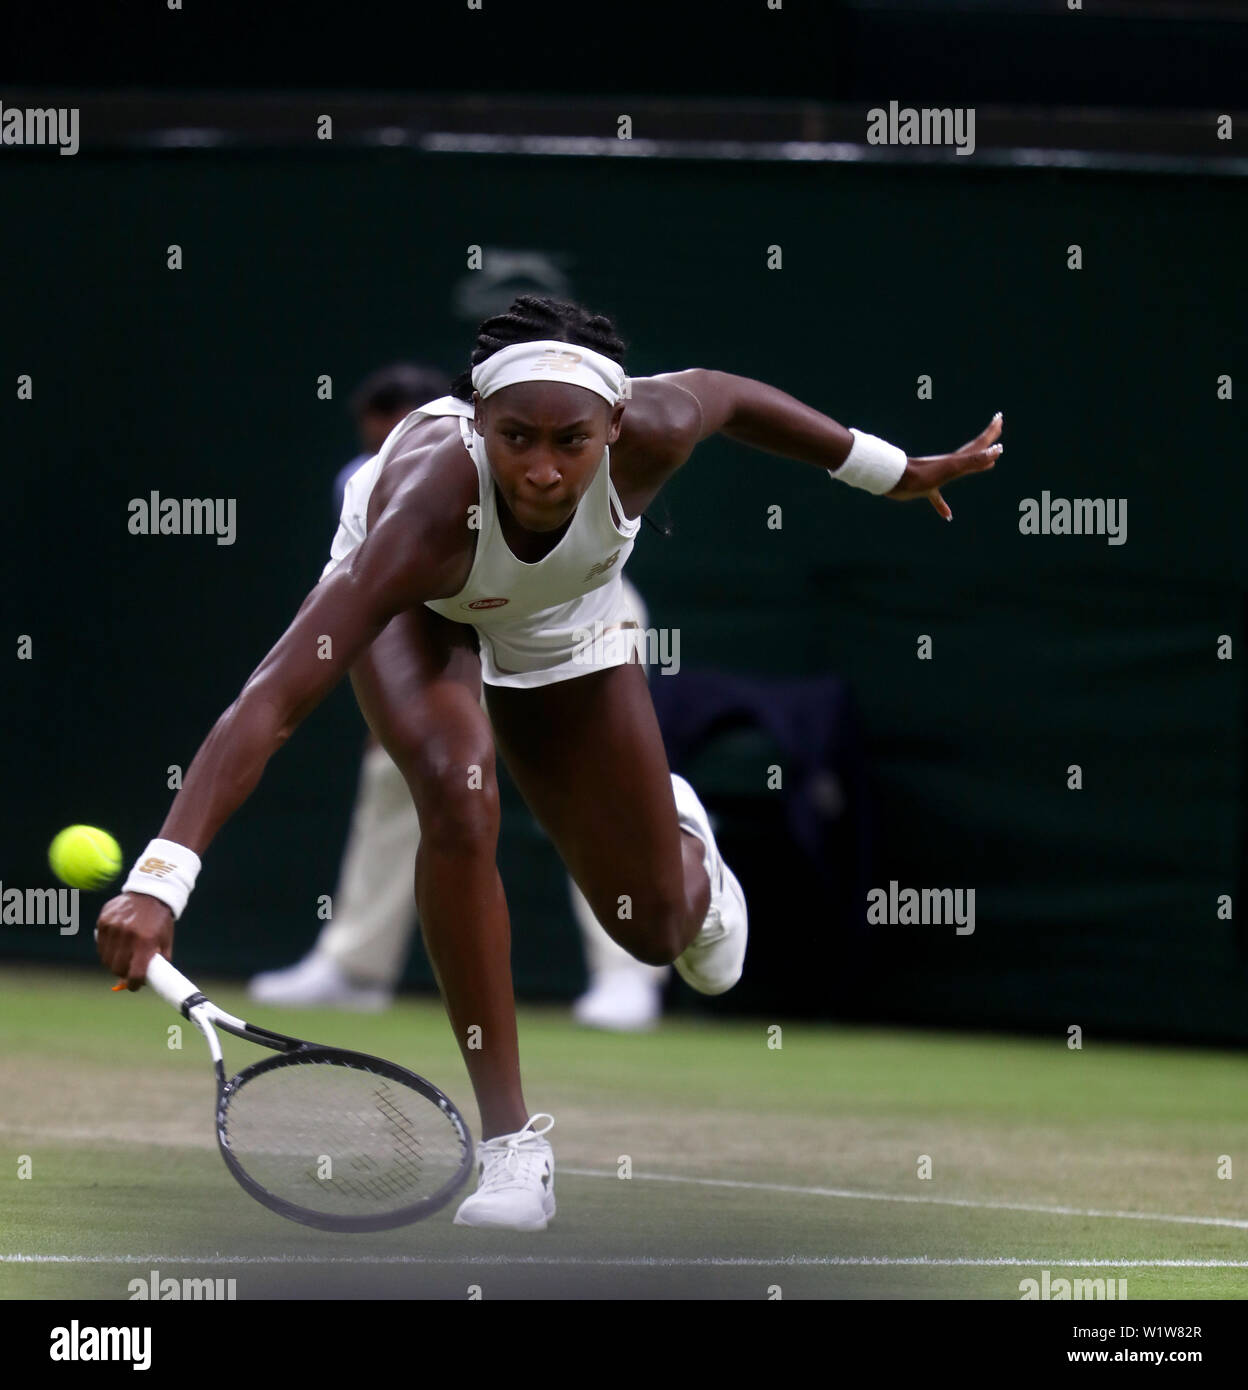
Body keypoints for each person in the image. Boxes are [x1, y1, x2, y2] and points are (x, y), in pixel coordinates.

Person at [95, 294, 1001, 1231]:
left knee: (655, 935)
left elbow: (729, 396)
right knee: (454, 791)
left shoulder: (659, 427)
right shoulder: (423, 516)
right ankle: (512, 1150)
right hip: (425, 612)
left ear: (614, 426)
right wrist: (161, 879)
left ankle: (688, 848)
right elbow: (273, 701)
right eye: (514, 437)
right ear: (476, 423)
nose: (540, 468)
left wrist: (884, 469)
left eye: (571, 440)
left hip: (566, 625)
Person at [249, 366, 669, 1025]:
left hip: (572, 618)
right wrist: (396, 708)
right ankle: (356, 967)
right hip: (445, 620)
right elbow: (373, 600)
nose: (388, 456)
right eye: (374, 443)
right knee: (393, 775)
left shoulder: (512, 456)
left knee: (595, 785)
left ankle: (630, 975)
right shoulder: (364, 483)